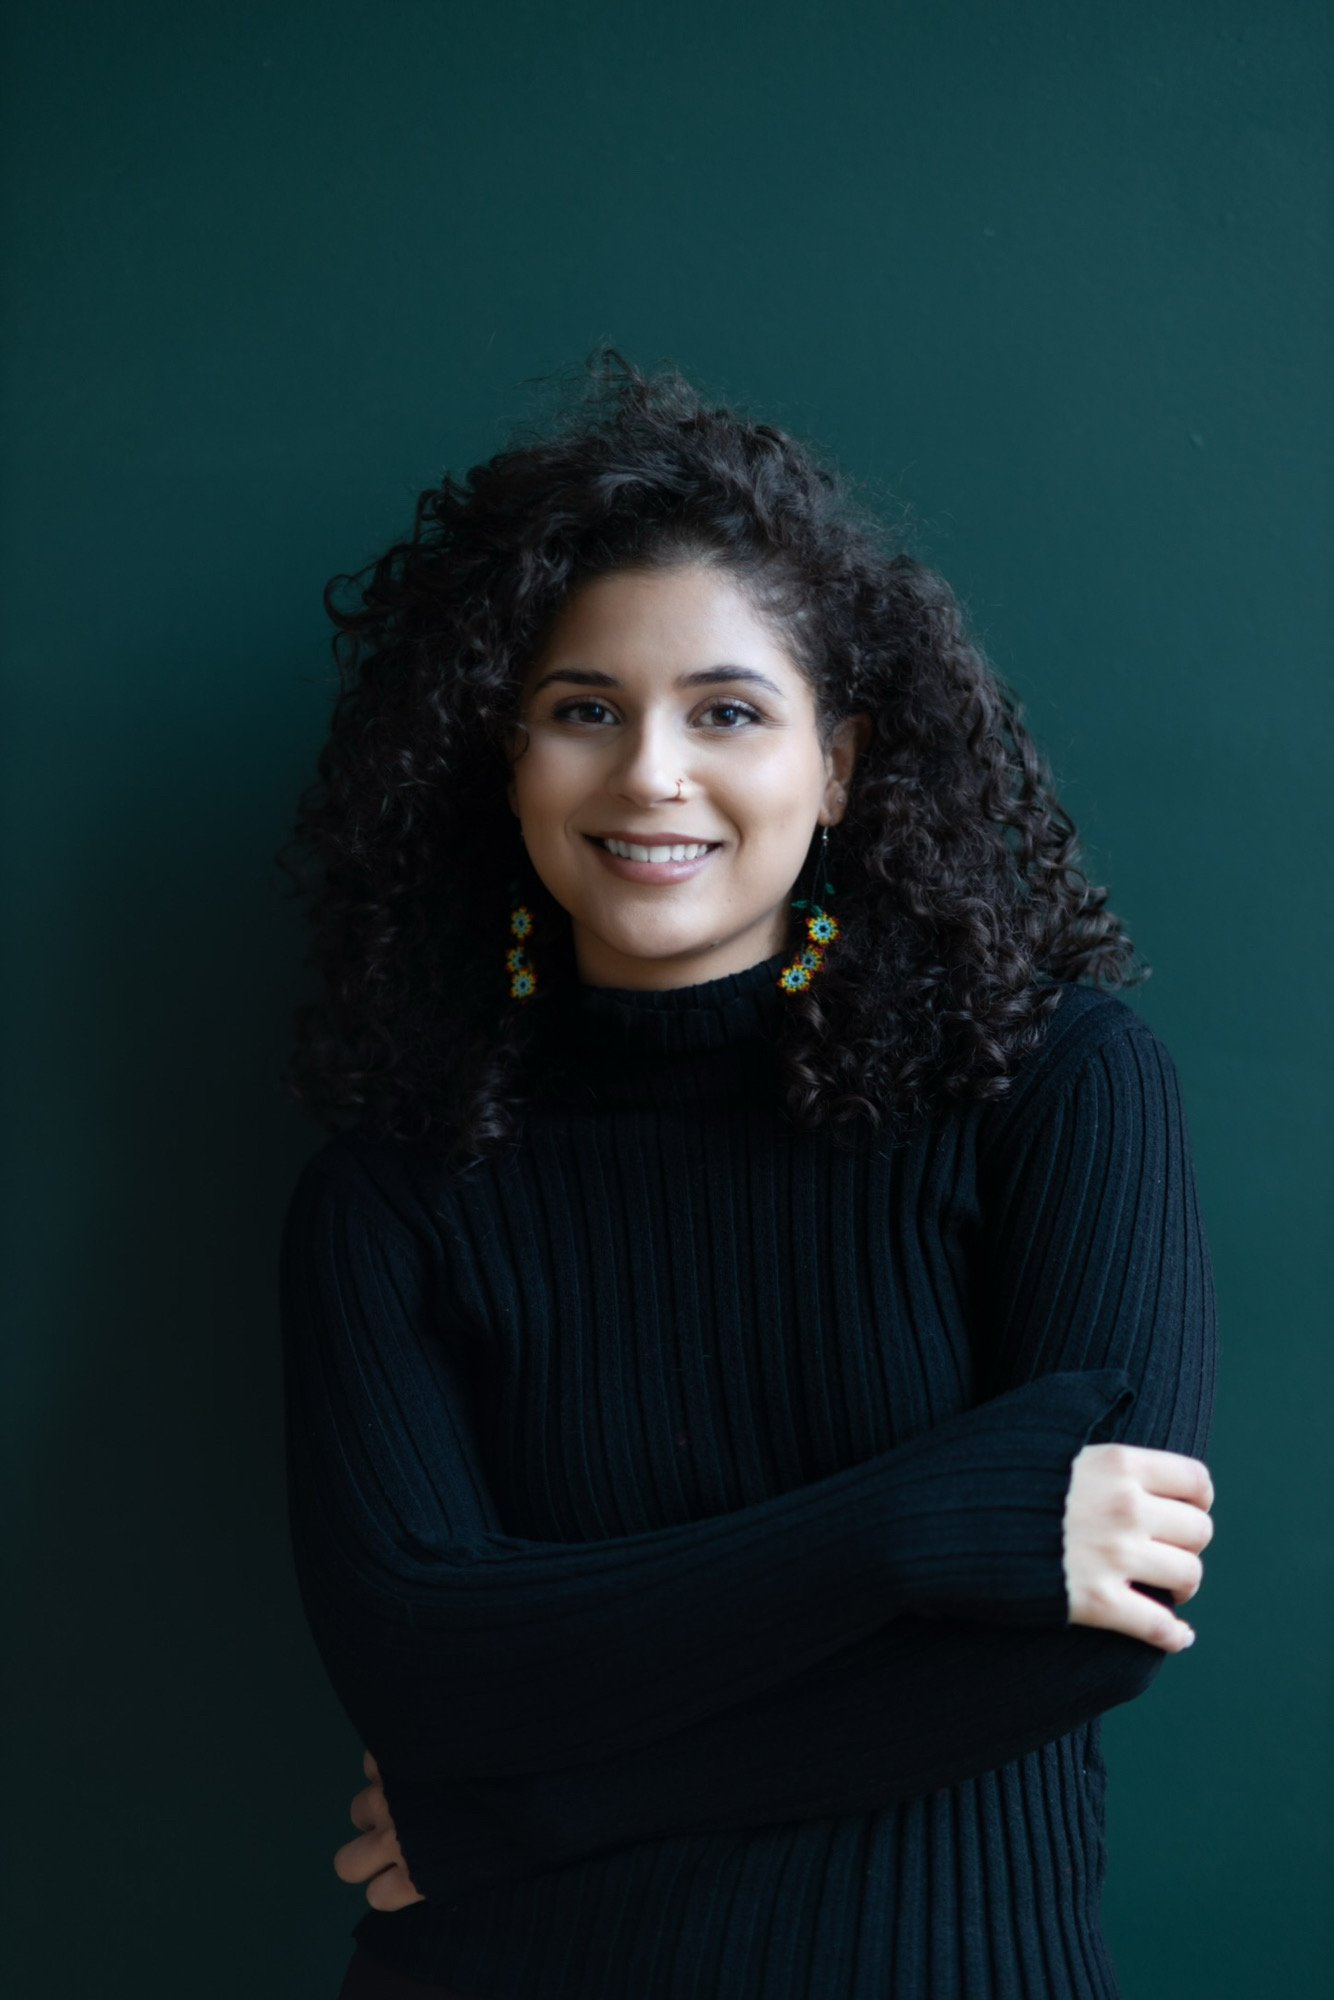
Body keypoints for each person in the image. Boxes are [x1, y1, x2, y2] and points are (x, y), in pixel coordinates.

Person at [277, 348, 1218, 2000]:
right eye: (583, 710)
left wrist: (531, 1813)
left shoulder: (1052, 1084)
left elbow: (1087, 1637)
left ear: (837, 763)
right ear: (504, 758)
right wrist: (930, 1517)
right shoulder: (399, 1183)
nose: (650, 772)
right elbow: (424, 1664)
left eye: (726, 711)